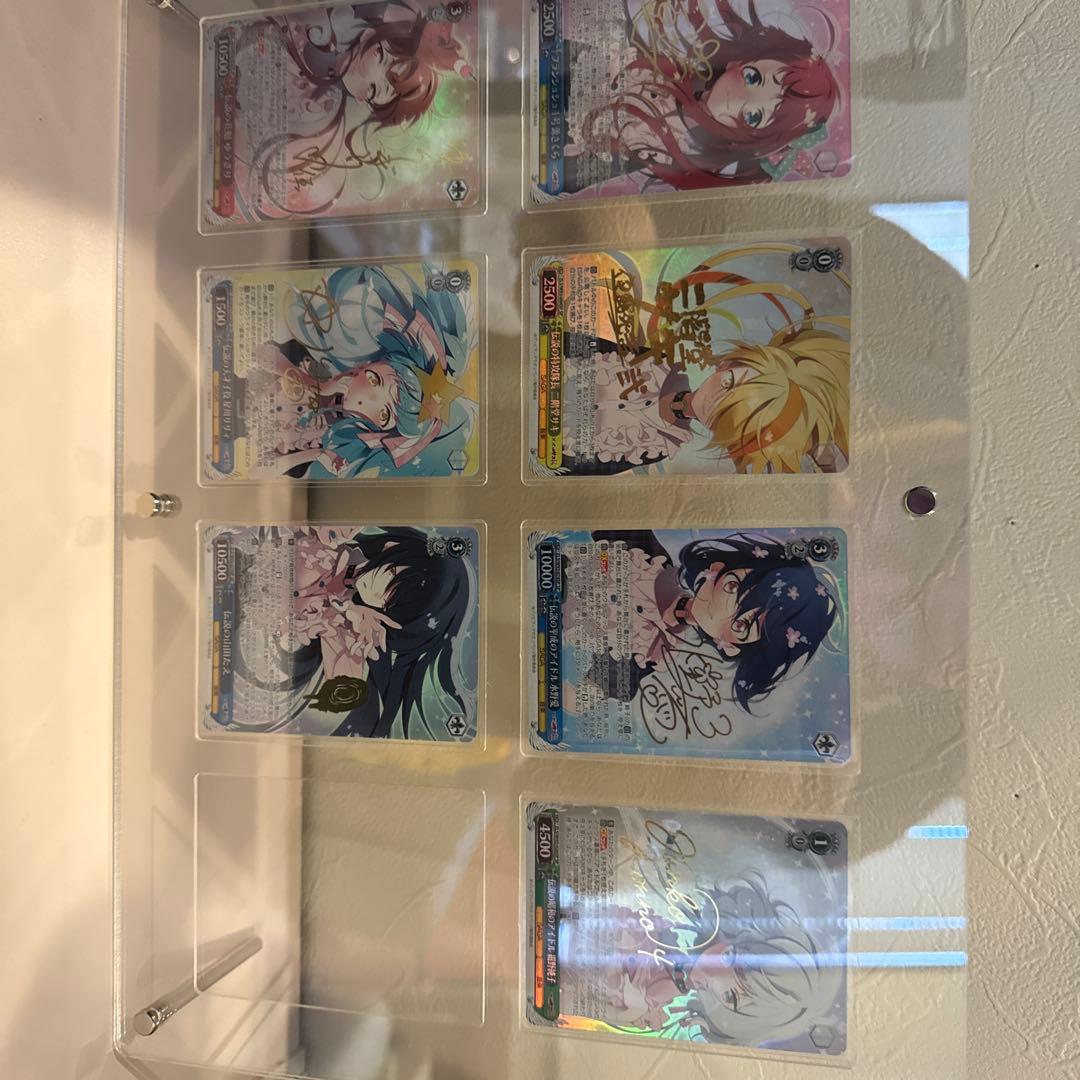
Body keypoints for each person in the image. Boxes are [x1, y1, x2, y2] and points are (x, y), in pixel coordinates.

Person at [569, 0, 842, 193]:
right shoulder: (676, 67)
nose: (737, 98)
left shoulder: (703, 158)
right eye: (753, 78)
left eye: (753, 116)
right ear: (737, 63)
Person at [235, 526, 473, 738]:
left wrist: (339, 626)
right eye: (391, 572)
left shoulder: (353, 629)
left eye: (387, 602)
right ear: (392, 547)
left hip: (243, 628)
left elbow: (343, 689)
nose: (377, 589)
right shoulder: (332, 544)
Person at [252, 262, 476, 478]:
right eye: (374, 379)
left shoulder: (345, 436)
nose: (363, 399)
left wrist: (316, 453)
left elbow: (256, 472)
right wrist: (313, 383)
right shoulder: (322, 367)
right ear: (368, 366)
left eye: (384, 415)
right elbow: (261, 354)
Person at [244, 2, 472, 212]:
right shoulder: (334, 21)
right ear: (370, 34)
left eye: (374, 89)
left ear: (364, 99)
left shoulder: (320, 114)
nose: (365, 72)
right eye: (380, 55)